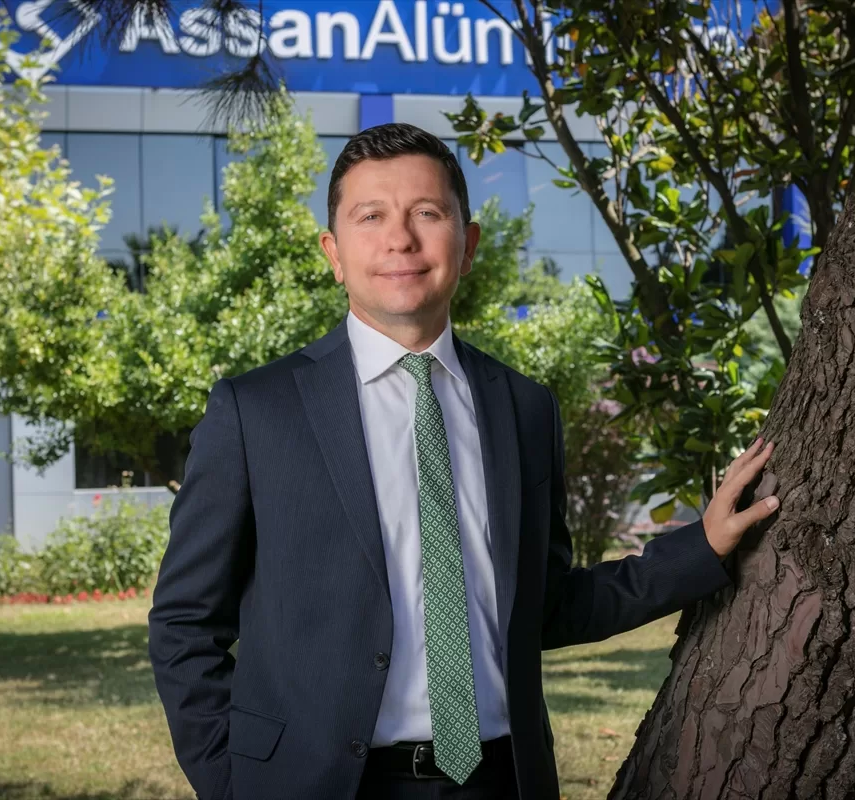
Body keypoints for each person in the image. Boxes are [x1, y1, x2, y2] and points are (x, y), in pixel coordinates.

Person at [147, 123, 780, 800]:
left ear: (468, 244)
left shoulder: (525, 409)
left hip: (501, 781)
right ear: (333, 252)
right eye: (370, 216)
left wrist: (700, 548)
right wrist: (231, 783)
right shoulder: (256, 411)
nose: (400, 239)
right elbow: (185, 622)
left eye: (427, 213)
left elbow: (548, 606)